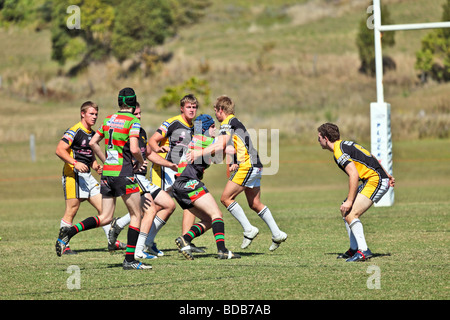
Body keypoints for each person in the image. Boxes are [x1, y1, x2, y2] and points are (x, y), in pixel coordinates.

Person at [56, 87, 152, 270]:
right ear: (133, 103)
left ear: (119, 102)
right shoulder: (132, 121)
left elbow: (93, 143)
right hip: (124, 173)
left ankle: (71, 230)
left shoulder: (109, 119)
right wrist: (140, 162)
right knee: (136, 215)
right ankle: (130, 260)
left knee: (106, 216)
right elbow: (133, 149)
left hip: (108, 174)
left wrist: (107, 160)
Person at [190, 95, 287, 251]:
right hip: (254, 164)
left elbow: (222, 143)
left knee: (226, 198)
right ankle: (277, 233)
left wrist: (198, 153)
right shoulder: (235, 121)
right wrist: (233, 159)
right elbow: (235, 144)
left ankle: (249, 229)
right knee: (255, 204)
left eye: (215, 110)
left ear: (221, 109)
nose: (215, 114)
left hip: (247, 165)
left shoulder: (227, 123)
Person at [317, 122, 395, 262]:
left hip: (375, 180)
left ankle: (364, 250)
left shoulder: (338, 151)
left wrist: (350, 200)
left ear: (326, 138)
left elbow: (354, 175)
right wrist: (386, 173)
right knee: (345, 210)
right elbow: (370, 156)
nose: (318, 141)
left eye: (319, 137)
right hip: (375, 178)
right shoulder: (345, 144)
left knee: (352, 212)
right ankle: (354, 249)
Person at [108, 102, 177, 259]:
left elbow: (148, 154)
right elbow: (117, 153)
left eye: (140, 113)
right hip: (132, 177)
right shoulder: (125, 130)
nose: (138, 116)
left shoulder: (141, 131)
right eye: (136, 113)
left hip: (143, 179)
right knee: (150, 210)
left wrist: (169, 164)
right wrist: (131, 165)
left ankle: (146, 241)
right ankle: (138, 250)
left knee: (169, 205)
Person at [54, 101, 125, 255]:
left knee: (104, 210)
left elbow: (88, 155)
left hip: (87, 177)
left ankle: (112, 242)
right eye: (91, 114)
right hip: (73, 175)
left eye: (96, 114)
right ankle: (63, 244)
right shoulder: (74, 131)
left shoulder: (92, 134)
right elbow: (60, 150)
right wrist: (74, 163)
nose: (94, 117)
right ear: (83, 114)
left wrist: (96, 165)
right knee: (71, 210)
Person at [174, 114, 240, 260]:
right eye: (212, 127)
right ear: (205, 128)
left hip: (179, 186)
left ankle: (186, 239)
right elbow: (223, 145)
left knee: (210, 220)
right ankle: (222, 251)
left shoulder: (198, 140)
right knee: (217, 215)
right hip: (188, 182)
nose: (215, 129)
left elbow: (216, 158)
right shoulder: (204, 139)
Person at [148, 94, 204, 253]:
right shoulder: (172, 122)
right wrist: (158, 149)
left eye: (194, 107)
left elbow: (198, 147)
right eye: (189, 107)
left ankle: (185, 241)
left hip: (185, 171)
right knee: (157, 206)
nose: (192, 110)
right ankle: (142, 238)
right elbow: (152, 140)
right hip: (167, 169)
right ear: (182, 108)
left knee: (190, 202)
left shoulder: (197, 126)